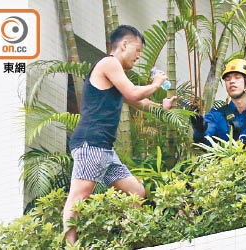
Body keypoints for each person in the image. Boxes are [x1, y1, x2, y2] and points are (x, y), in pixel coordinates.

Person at [63, 25, 176, 244]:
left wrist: (162, 107)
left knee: (136, 192)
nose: (139, 55)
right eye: (138, 49)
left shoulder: (116, 75)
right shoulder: (109, 63)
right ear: (124, 44)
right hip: (91, 143)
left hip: (105, 149)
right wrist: (155, 83)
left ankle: (124, 241)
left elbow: (139, 102)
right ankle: (70, 246)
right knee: (78, 197)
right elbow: (133, 92)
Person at [191, 59, 246, 145]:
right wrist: (200, 130)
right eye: (227, 79)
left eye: (237, 77)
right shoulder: (215, 117)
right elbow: (204, 139)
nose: (232, 81)